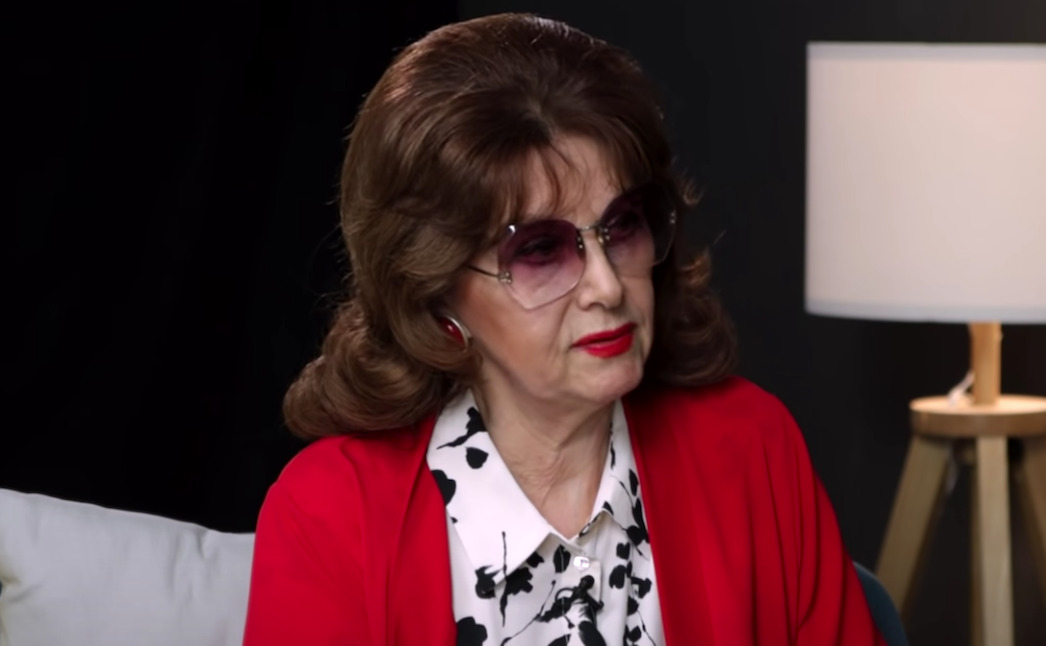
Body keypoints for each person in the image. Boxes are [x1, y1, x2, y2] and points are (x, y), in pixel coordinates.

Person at [243, 12, 885, 646]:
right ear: (434, 288)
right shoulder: (331, 514)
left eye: (622, 225)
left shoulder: (751, 447)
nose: (607, 287)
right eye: (541, 250)